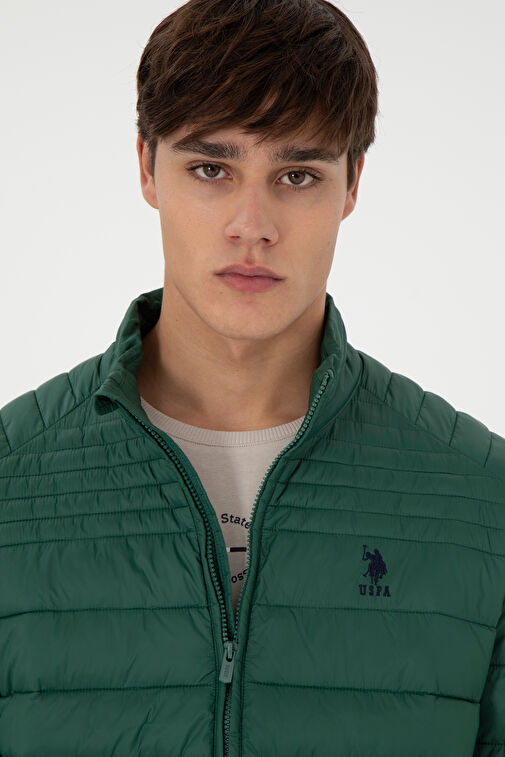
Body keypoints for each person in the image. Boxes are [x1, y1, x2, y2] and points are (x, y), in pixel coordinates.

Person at [0, 0, 503, 754]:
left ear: (352, 183)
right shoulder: (10, 480)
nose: (251, 225)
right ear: (146, 167)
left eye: (297, 175)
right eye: (212, 168)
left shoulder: (483, 502)